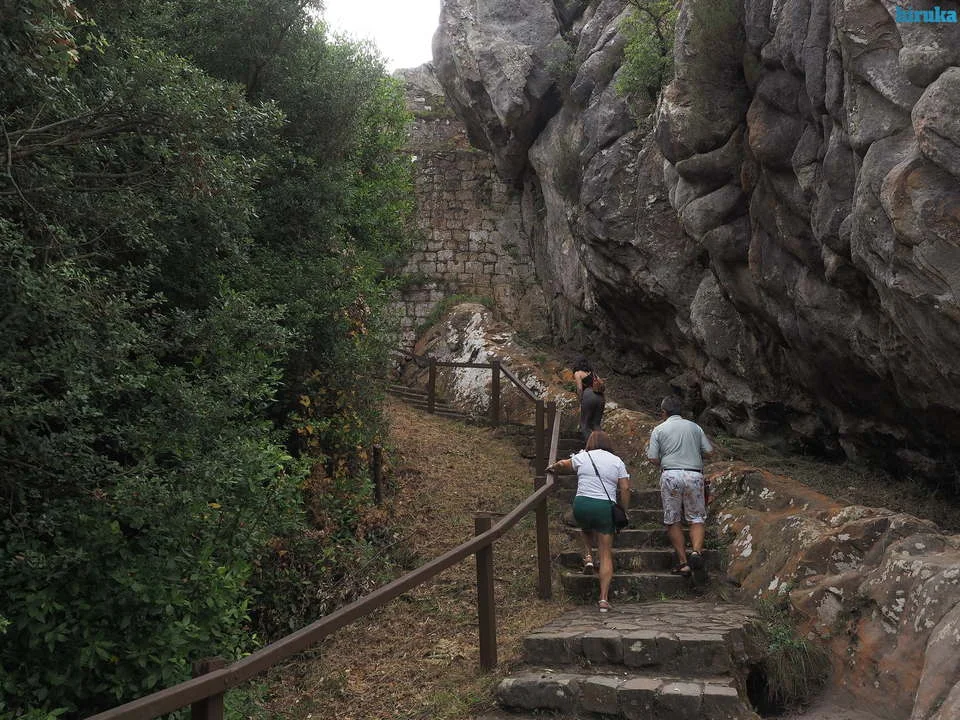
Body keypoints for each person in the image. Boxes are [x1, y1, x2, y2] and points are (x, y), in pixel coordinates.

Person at [547, 430, 630, 613]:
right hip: (604, 507)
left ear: (590, 442)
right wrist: (624, 510)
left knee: (585, 528)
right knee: (605, 552)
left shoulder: (583, 456)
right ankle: (603, 599)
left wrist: (553, 467)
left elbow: (563, 464)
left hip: (582, 505)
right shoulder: (617, 461)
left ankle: (588, 557)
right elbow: (625, 488)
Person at [646, 395, 714, 583]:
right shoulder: (695, 427)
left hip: (671, 474)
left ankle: (683, 562)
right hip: (694, 474)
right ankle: (696, 552)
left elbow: (652, 457)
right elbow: (709, 451)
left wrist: (665, 461)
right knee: (697, 517)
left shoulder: (659, 429)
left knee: (673, 519)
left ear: (663, 412)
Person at [578, 372, 605, 443]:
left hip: (588, 395)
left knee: (585, 424)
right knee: (596, 424)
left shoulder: (577, 373)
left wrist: (581, 400)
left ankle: (590, 444)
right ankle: (601, 444)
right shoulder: (592, 372)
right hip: (601, 397)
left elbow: (580, 388)